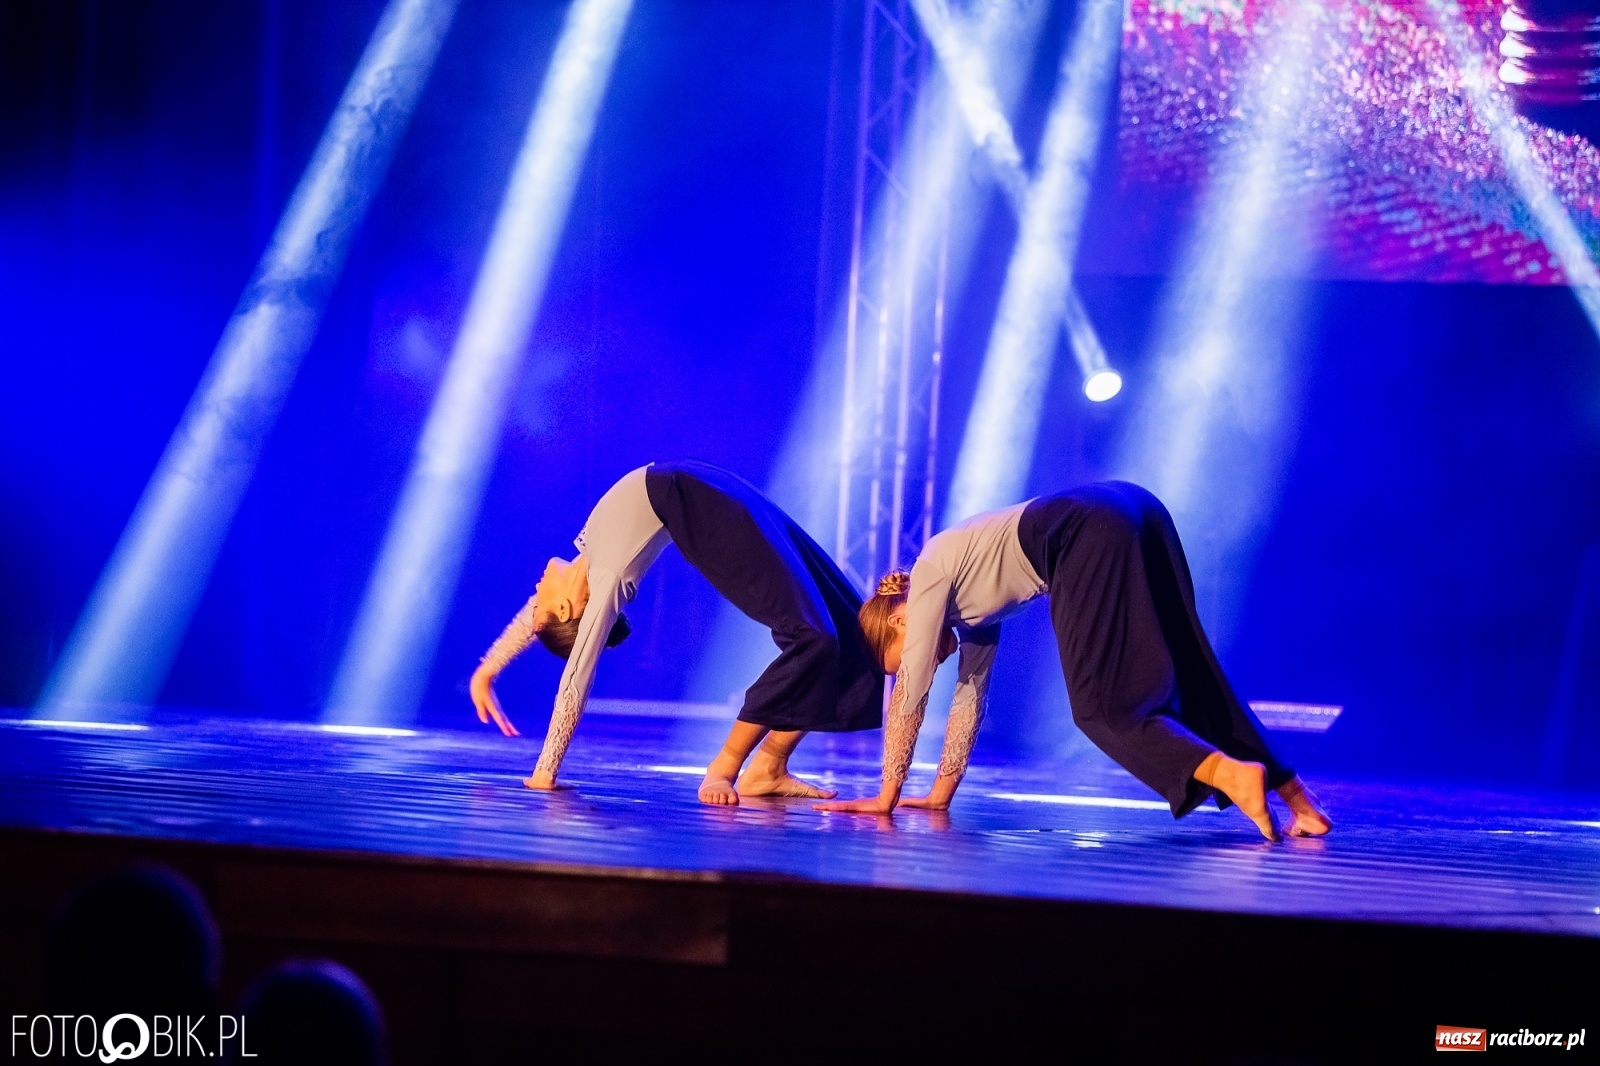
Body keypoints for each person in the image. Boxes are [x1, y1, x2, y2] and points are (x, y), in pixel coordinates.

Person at [816, 480, 1332, 839]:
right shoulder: (969, 609)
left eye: (898, 658)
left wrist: (885, 796)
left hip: (1082, 527)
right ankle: (1300, 804)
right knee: (1196, 673)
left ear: (901, 623)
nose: (921, 659)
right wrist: (938, 794)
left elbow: (913, 687)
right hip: (1131, 507)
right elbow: (969, 700)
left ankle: (1227, 773)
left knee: (1102, 710)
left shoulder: (930, 569)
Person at [471, 460, 883, 806]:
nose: (534, 592)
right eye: (540, 598)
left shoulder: (588, 557)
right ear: (565, 609)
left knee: (852, 631)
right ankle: (724, 768)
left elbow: (537, 618)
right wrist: (546, 771)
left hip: (723, 491)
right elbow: (576, 676)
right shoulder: (607, 578)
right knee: (813, 637)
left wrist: (489, 668)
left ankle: (769, 767)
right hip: (714, 519)